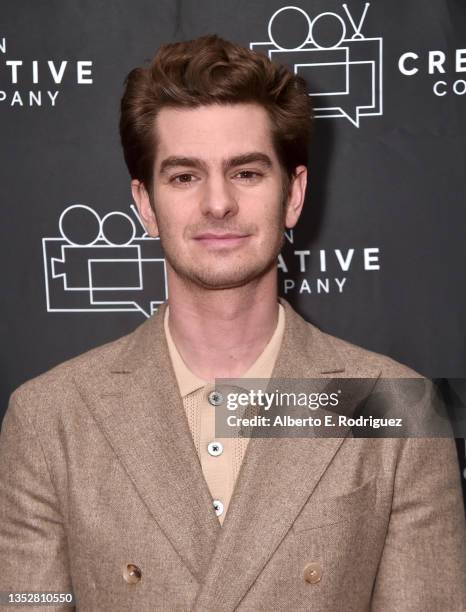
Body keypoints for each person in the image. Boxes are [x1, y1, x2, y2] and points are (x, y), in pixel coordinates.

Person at [0, 34, 465, 612]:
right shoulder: (50, 419)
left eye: (245, 172)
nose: (217, 204)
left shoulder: (395, 407)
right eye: (184, 177)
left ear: (293, 194)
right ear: (145, 205)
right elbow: (28, 601)